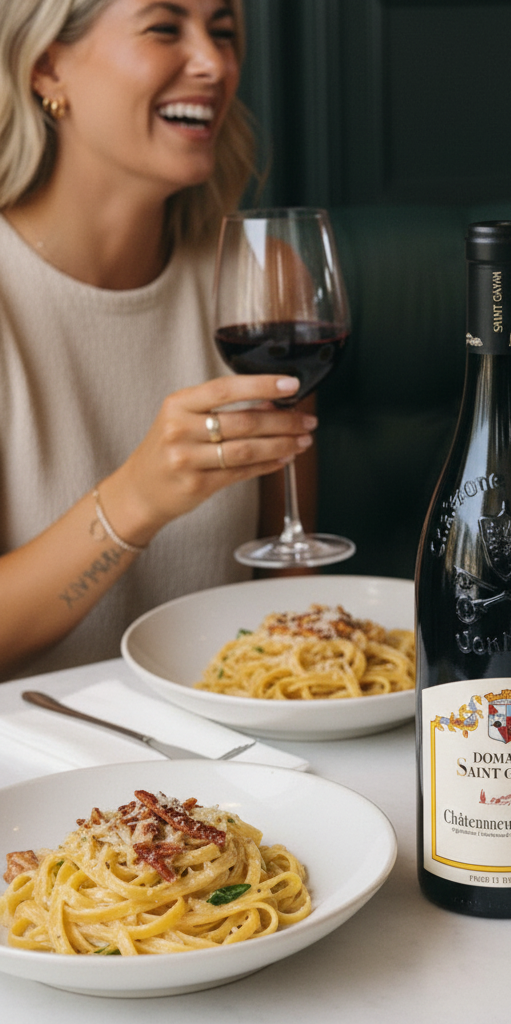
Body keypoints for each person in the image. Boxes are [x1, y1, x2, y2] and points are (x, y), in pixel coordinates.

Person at [0, 0, 317, 679]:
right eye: (165, 28)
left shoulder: (263, 280)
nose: (215, 64)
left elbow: (288, 580)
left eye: (223, 33)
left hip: (224, 736)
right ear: (47, 68)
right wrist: (136, 499)